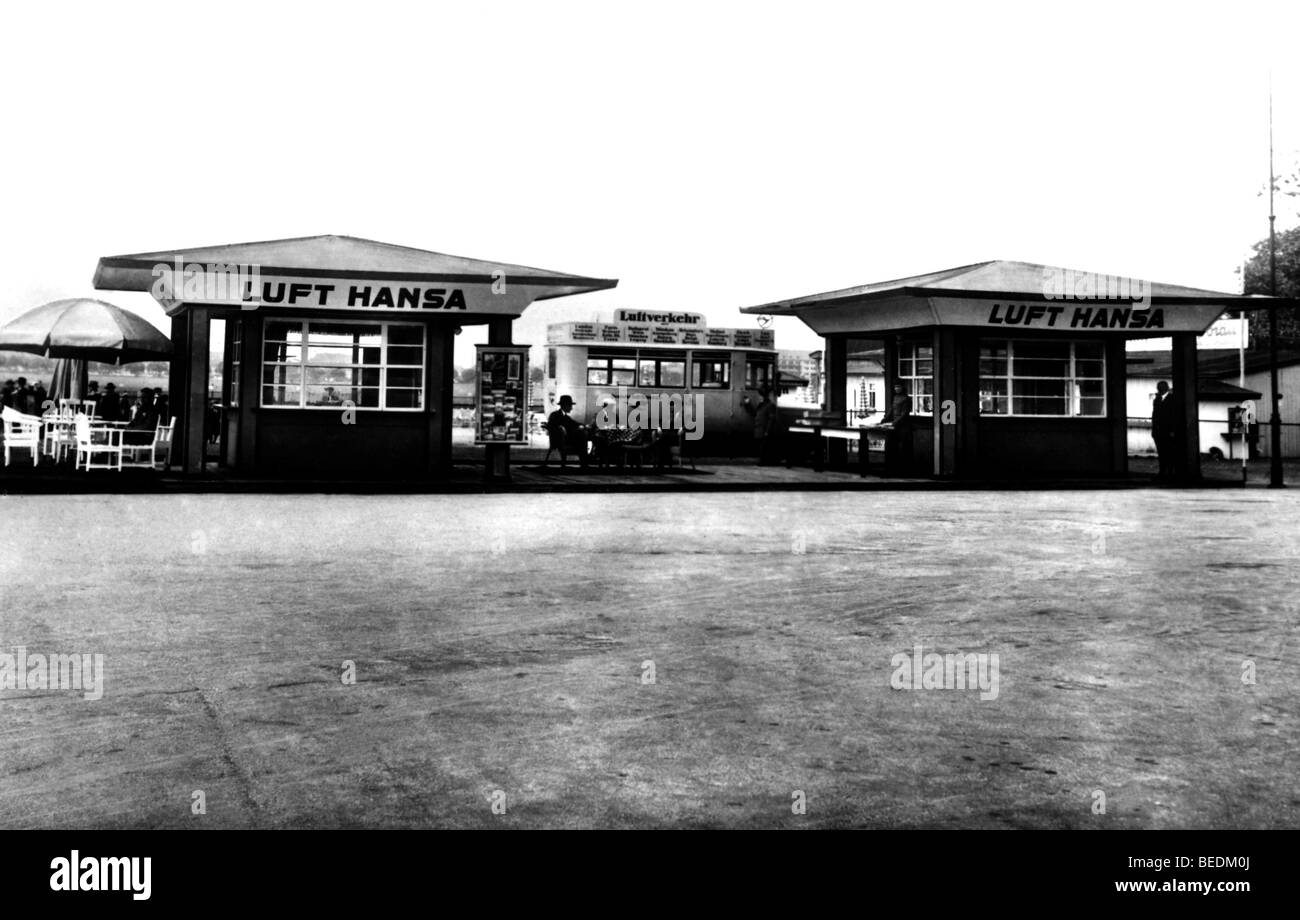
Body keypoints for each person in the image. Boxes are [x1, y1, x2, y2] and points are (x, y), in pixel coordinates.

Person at [874, 382, 913, 475]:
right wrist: (883, 420)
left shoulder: (907, 399)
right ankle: (892, 469)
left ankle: (905, 470)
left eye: (898, 386)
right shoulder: (895, 398)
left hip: (903, 426)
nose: (896, 388)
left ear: (903, 387)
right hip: (894, 426)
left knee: (903, 447)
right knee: (891, 446)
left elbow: (904, 414)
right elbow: (891, 411)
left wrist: (894, 423)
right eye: (895, 386)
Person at [1151, 380, 1183, 480]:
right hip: (1158, 431)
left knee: (1169, 452)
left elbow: (1174, 417)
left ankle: (1170, 473)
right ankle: (1162, 472)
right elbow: (1154, 416)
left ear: (1165, 388)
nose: (1159, 389)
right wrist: (1153, 430)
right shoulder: (1156, 400)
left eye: (1160, 387)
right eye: (1158, 387)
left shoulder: (1172, 400)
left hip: (1168, 432)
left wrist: (1172, 431)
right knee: (1161, 453)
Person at [545, 395, 588, 468]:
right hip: (561, 440)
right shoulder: (556, 415)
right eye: (570, 405)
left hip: (565, 439)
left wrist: (583, 426)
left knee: (582, 436)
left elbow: (574, 423)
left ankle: (584, 462)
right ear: (565, 406)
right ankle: (584, 463)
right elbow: (553, 427)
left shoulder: (562, 416)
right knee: (582, 438)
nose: (571, 408)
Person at [741, 385, 780, 465]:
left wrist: (767, 431)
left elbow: (771, 419)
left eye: (760, 395)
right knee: (761, 447)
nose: (759, 397)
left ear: (764, 396)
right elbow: (754, 414)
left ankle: (763, 461)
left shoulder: (770, 406)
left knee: (764, 447)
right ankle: (762, 461)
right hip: (759, 429)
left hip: (764, 430)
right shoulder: (761, 405)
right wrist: (747, 404)